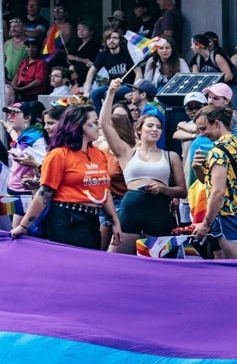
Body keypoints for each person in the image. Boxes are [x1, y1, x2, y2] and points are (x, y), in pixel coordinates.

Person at [10, 104, 120, 249]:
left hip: (92, 219)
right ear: (80, 126)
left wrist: (115, 222)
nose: (99, 126)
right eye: (94, 123)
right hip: (66, 218)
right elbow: (44, 193)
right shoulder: (58, 155)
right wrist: (24, 226)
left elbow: (104, 191)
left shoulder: (99, 155)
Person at [98, 79, 184, 253]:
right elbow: (105, 124)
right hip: (131, 208)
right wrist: (111, 93)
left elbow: (182, 191)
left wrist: (162, 189)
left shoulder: (171, 156)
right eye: (150, 126)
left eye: (158, 127)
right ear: (139, 130)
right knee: (115, 257)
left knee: (162, 261)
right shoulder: (127, 153)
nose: (155, 130)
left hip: (160, 209)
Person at [191, 104, 237, 258]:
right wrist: (197, 168)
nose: (201, 134)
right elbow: (211, 182)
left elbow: (218, 192)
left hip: (226, 216)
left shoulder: (217, 151)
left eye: (204, 128)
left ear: (217, 124)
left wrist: (206, 223)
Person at [4, 102, 48, 216]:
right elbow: (20, 142)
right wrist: (10, 130)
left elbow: (46, 165)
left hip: (26, 192)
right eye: (9, 113)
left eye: (14, 114)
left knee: (21, 231)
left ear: (27, 117)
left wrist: (35, 177)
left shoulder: (36, 138)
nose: (9, 117)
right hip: (16, 190)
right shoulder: (26, 135)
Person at [83, 29, 136, 111]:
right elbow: (91, 71)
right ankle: (100, 118)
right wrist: (86, 92)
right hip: (112, 85)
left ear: (120, 40)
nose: (111, 40)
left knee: (108, 93)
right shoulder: (103, 54)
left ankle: (111, 118)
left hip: (127, 85)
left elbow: (138, 73)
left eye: (115, 38)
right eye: (108, 38)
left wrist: (134, 91)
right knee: (94, 93)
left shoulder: (127, 53)